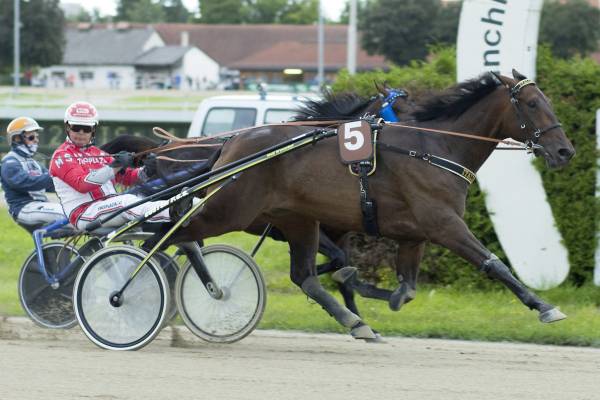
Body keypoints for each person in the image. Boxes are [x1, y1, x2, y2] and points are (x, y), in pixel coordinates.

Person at [49, 101, 186, 230]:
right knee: (126, 201)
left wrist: (147, 170)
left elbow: (128, 178)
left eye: (86, 128)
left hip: (107, 207)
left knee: (139, 198)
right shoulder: (62, 155)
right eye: (76, 127)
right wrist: (115, 165)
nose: (81, 132)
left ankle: (185, 205)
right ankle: (174, 211)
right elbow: (82, 184)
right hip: (84, 213)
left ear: (93, 129)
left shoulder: (98, 153)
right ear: (67, 127)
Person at [1, 117, 66, 230]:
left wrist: (71, 180)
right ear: (17, 138)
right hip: (24, 207)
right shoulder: (10, 162)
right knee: (67, 213)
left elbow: (52, 184)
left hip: (39, 206)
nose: (36, 140)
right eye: (31, 137)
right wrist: (56, 173)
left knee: (76, 211)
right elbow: (25, 182)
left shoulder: (33, 163)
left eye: (37, 137)